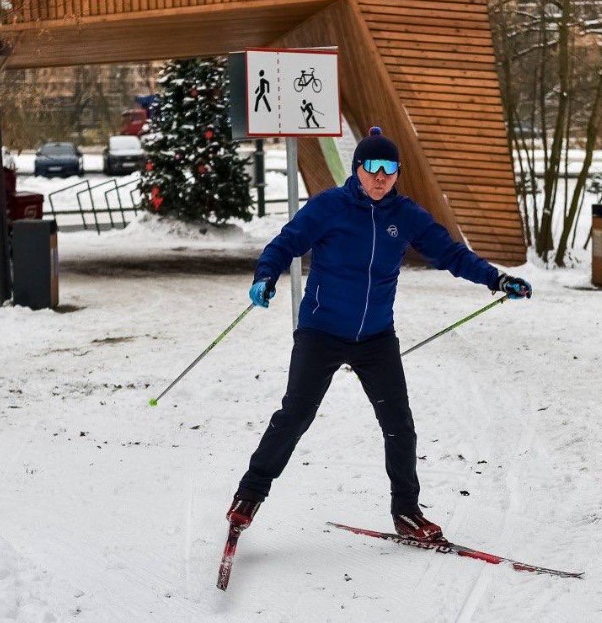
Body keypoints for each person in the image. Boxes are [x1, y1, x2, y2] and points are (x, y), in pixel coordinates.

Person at [227, 127, 532, 541]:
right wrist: (266, 275)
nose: (380, 177)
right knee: (295, 415)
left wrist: (496, 279)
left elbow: (451, 254)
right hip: (321, 329)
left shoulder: (405, 215)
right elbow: (286, 243)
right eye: (373, 167)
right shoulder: (330, 207)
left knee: (399, 424)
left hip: (375, 337)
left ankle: (406, 511)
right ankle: (249, 494)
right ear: (358, 169)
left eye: (389, 169)